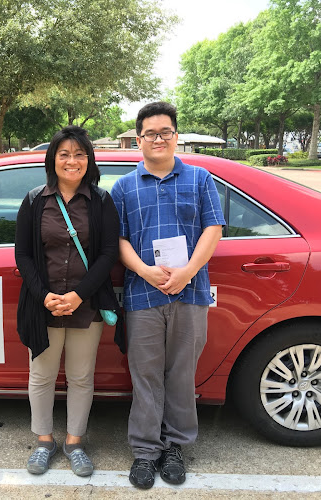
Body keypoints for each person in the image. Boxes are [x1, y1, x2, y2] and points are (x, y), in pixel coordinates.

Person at [110, 102, 225, 489]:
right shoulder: (124, 187)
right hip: (143, 294)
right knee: (144, 375)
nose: (158, 139)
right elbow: (119, 239)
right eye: (150, 133)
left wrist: (189, 271)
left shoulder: (200, 179)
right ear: (138, 139)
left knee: (180, 374)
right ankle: (145, 451)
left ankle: (175, 447)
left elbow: (213, 228)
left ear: (176, 136)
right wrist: (143, 270)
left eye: (165, 132)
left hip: (190, 292)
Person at [15, 125, 123, 477]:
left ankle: (74, 441)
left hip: (86, 305)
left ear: (89, 160)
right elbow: (24, 256)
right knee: (41, 375)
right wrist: (45, 296)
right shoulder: (34, 201)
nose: (72, 161)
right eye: (64, 154)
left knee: (80, 377)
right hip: (42, 304)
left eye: (79, 154)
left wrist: (78, 295)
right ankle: (44, 440)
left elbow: (108, 254)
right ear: (53, 159)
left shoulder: (101, 201)